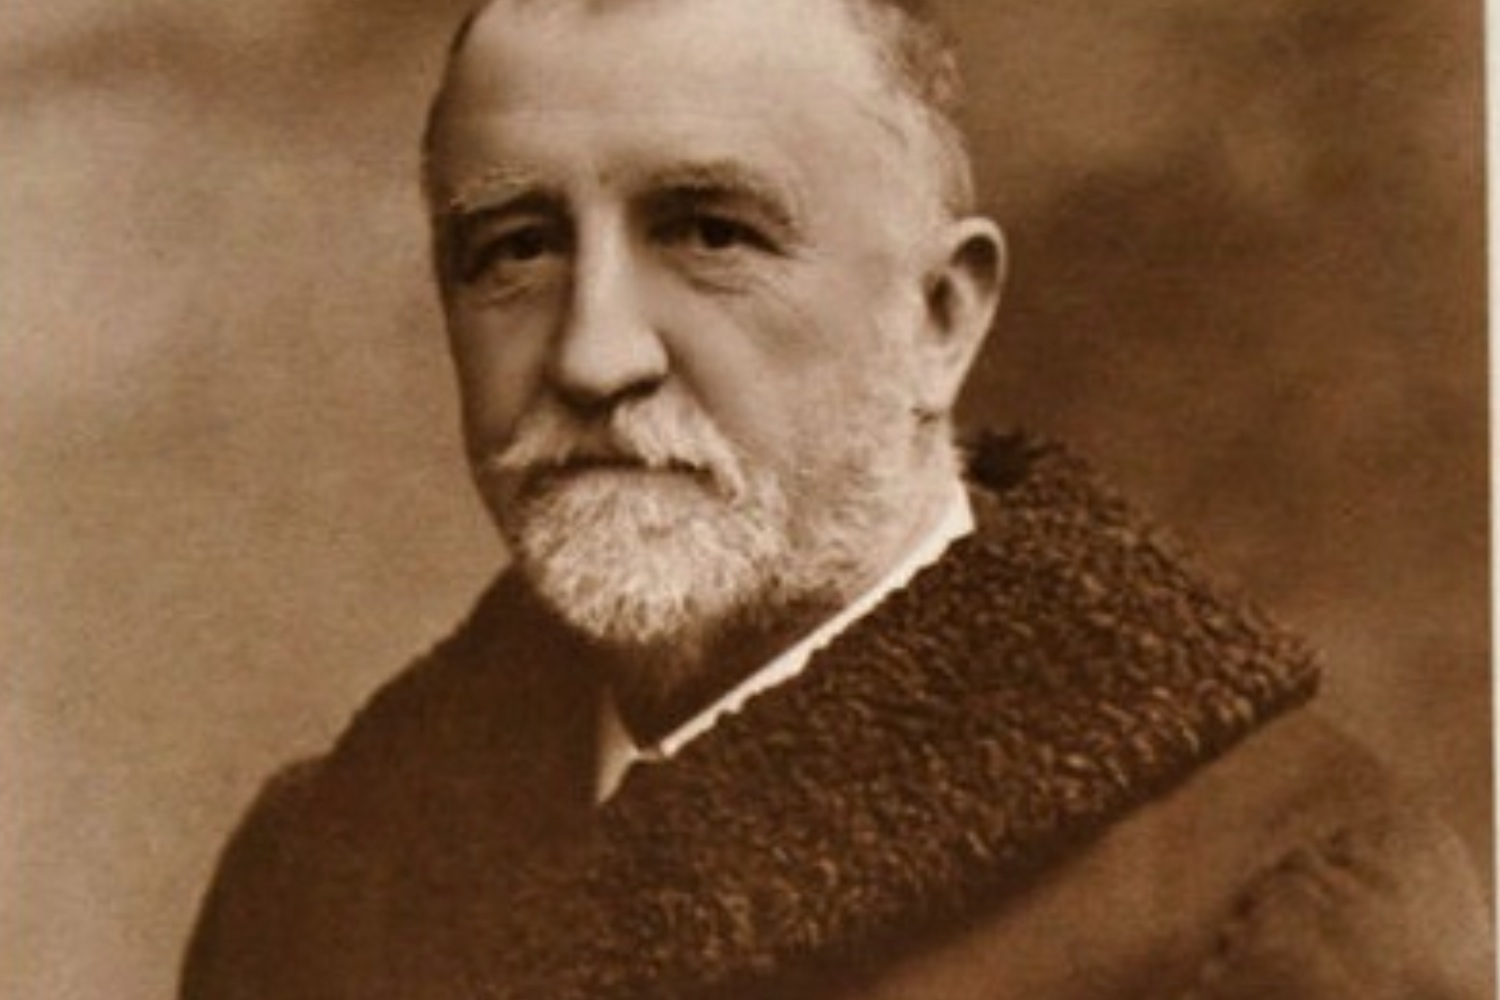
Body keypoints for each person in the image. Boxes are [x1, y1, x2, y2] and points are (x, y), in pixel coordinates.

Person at [181, 0, 1493, 997]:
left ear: (940, 318)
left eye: (711, 233)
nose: (592, 354)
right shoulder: (318, 872)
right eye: (515, 249)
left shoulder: (1276, 900)